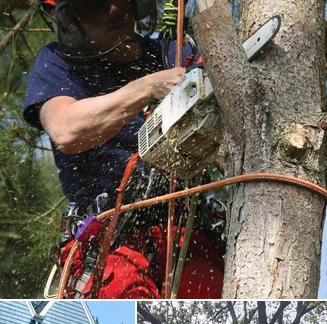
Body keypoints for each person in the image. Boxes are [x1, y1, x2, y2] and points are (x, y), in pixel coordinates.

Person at [23, 0, 225, 298]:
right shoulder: (57, 62)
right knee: (125, 292)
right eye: (96, 5)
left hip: (186, 228)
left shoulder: (171, 53)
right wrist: (145, 88)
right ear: (69, 18)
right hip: (111, 234)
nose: (113, 11)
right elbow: (65, 129)